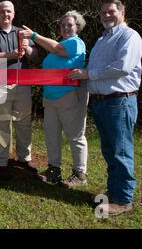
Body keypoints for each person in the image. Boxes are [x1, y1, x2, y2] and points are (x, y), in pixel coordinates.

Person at [69, 0, 142, 216]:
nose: (106, 15)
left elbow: (122, 67)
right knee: (110, 150)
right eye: (102, 12)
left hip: (119, 101)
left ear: (122, 12)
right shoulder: (103, 39)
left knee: (120, 151)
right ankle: (114, 191)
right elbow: (94, 68)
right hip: (102, 101)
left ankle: (122, 200)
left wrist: (87, 74)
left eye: (110, 11)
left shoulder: (129, 36)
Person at [19, 11, 89, 188]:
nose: (65, 28)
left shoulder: (76, 43)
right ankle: (53, 169)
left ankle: (79, 174)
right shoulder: (58, 44)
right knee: (52, 136)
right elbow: (55, 50)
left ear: (77, 27)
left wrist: (34, 35)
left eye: (70, 25)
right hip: (50, 97)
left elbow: (58, 49)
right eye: (62, 25)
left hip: (69, 96)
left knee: (75, 136)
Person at [0, 0, 38, 180]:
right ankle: (1, 160)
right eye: (3, 11)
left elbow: (34, 56)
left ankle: (24, 158)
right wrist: (9, 55)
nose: (6, 14)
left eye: (9, 11)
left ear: (14, 13)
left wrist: (27, 46)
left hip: (22, 84)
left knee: (23, 122)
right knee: (1, 122)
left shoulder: (22, 32)